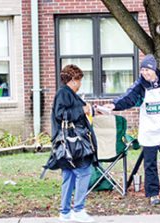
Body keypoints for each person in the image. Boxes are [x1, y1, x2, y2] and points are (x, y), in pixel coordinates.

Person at [104, 54, 160, 205]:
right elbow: (128, 98)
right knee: (150, 164)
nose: (145, 73)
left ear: (154, 69)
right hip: (149, 131)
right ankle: (153, 193)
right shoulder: (140, 86)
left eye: (147, 70)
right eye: (142, 70)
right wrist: (113, 105)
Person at [51, 64, 96, 222]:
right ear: (74, 80)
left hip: (66, 144)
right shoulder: (65, 93)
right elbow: (60, 114)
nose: (81, 84)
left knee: (69, 175)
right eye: (80, 80)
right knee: (84, 172)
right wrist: (81, 110)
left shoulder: (66, 93)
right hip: (73, 143)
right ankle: (78, 209)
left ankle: (64, 213)